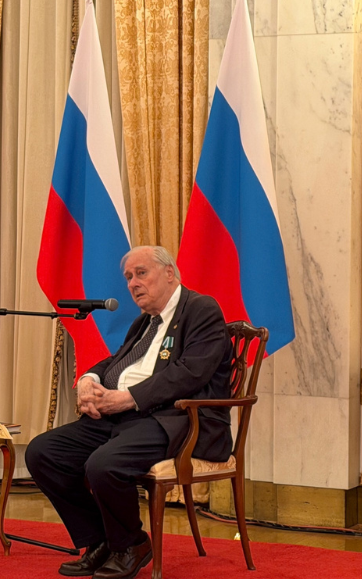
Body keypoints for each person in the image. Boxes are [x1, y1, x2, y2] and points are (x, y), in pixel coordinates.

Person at [26, 245, 233, 579]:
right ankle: (102, 541)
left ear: (169, 273)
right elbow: (119, 360)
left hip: (175, 420)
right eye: (128, 277)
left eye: (141, 273)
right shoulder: (145, 323)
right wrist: (89, 379)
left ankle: (131, 545)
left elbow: (190, 373)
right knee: (43, 452)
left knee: (103, 464)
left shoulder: (201, 309)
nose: (133, 283)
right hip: (124, 417)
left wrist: (128, 399)